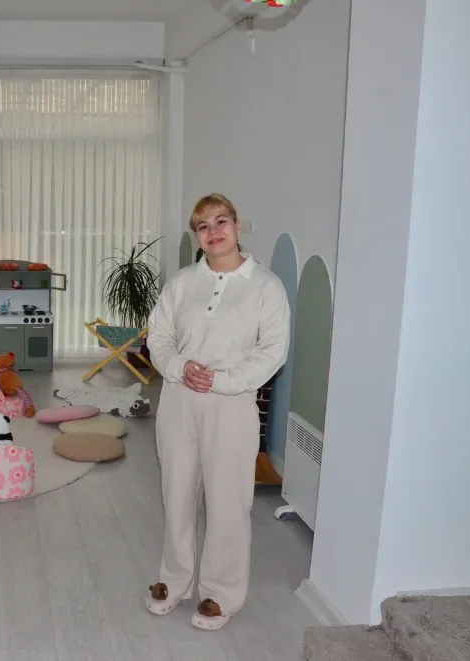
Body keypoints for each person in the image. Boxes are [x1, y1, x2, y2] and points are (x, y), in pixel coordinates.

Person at [144, 193, 290, 631]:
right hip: (178, 398)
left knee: (228, 502)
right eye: (203, 225)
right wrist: (178, 367)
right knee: (176, 493)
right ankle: (175, 580)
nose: (213, 231)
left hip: (231, 402)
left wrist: (223, 380)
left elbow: (273, 350)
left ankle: (220, 593)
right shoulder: (182, 282)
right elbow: (159, 336)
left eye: (221, 221)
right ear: (197, 235)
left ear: (238, 226)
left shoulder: (266, 286)